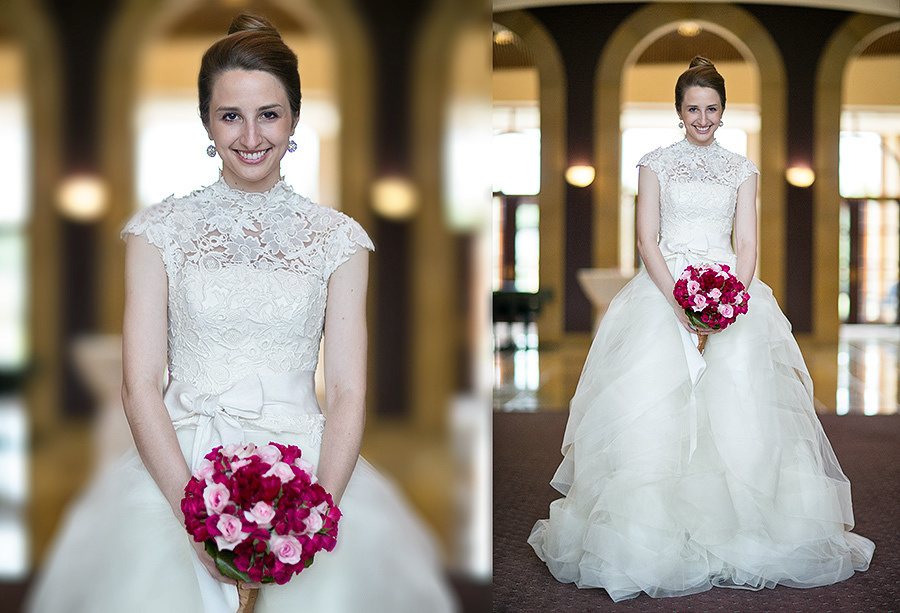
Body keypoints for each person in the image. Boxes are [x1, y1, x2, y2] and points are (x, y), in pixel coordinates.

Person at [27, 14, 457, 613]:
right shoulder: (160, 232)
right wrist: (196, 517)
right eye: (230, 115)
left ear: (295, 118)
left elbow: (350, 390)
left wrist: (317, 513)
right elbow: (139, 385)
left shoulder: (339, 241)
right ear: (207, 121)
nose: (250, 136)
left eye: (269, 114)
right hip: (180, 464)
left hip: (307, 465)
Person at [528, 56, 874, 602]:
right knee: (653, 414)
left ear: (723, 110)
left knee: (739, 411)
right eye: (693, 109)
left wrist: (727, 304)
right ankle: (653, 535)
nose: (703, 118)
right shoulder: (654, 163)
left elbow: (747, 245)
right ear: (679, 111)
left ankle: (742, 529)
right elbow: (646, 240)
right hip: (663, 294)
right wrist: (681, 306)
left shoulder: (742, 169)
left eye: (712, 108)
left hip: (730, 296)